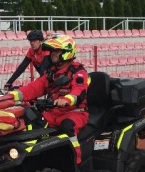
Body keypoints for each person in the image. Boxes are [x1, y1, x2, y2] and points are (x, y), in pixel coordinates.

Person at [10, 34, 89, 162]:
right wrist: (12, 96)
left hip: (75, 113)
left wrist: (67, 100)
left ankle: (76, 161)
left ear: (66, 52)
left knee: (67, 127)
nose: (52, 53)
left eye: (56, 50)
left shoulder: (78, 72)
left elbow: (79, 91)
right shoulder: (51, 72)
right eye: (52, 50)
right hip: (53, 113)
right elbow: (34, 87)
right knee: (31, 122)